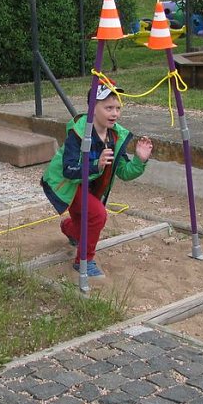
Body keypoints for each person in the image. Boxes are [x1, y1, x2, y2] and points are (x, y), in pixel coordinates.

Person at [41, 80, 153, 278]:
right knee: (98, 215)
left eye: (118, 108)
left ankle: (69, 229)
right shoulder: (79, 133)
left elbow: (124, 172)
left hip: (89, 186)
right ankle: (84, 261)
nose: (115, 113)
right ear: (93, 108)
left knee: (84, 221)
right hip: (67, 184)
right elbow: (69, 170)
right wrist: (96, 165)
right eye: (108, 107)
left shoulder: (115, 136)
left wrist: (140, 160)